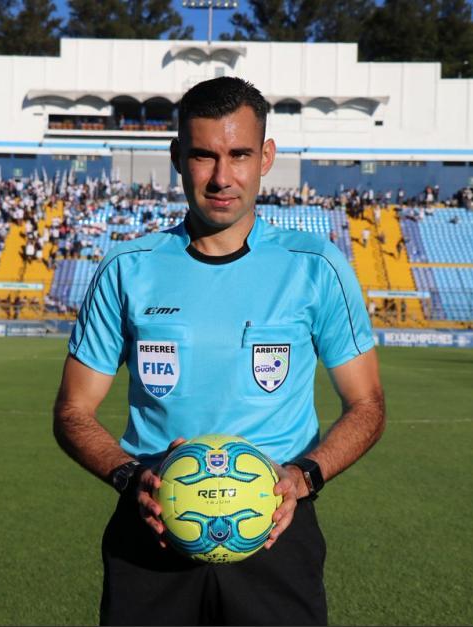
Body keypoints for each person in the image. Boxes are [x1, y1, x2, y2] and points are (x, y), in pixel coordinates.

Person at [53, 77, 386, 626]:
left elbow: (368, 404)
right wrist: (129, 476)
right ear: (177, 157)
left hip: (276, 534)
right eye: (204, 155)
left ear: (266, 157)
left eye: (239, 154)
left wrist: (305, 476)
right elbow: (72, 411)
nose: (222, 177)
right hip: (152, 529)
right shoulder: (127, 269)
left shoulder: (315, 266)